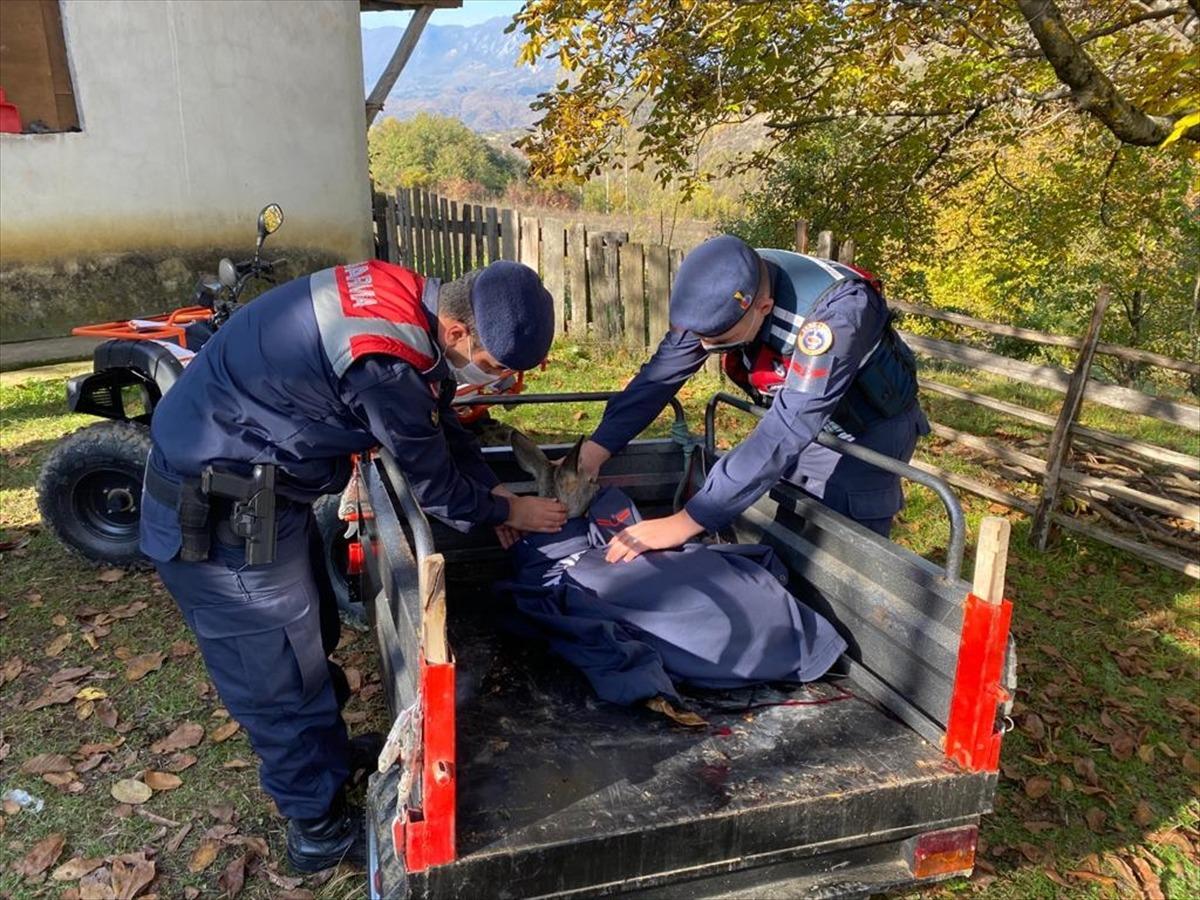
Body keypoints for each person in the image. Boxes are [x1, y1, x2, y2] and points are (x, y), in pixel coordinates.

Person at [138, 258, 566, 872]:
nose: (494, 381)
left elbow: (439, 421)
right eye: (495, 367)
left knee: (312, 638)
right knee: (277, 672)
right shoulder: (383, 360)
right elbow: (434, 480)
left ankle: (330, 760)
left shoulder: (405, 300)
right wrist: (507, 509)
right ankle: (316, 829)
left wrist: (493, 498)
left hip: (266, 493)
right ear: (458, 333)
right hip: (219, 513)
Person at [572, 235, 929, 563]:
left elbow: (788, 427)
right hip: (800, 414)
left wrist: (686, 521)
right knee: (786, 524)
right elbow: (659, 377)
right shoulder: (723, 287)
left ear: (762, 306)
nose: (704, 348)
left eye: (719, 338)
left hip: (864, 434)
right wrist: (596, 449)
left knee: (837, 552)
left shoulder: (834, 316)